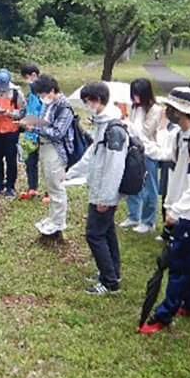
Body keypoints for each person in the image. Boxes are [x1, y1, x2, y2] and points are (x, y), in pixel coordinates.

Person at [139, 87, 190, 334]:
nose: (167, 112)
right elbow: (167, 155)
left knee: (179, 266)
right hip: (183, 209)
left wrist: (177, 210)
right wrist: (142, 142)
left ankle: (164, 314)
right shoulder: (180, 136)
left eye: (171, 109)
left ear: (181, 112)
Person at [64, 81, 128, 295]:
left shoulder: (114, 129)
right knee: (107, 232)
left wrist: (106, 198)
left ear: (98, 100)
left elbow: (114, 167)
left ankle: (109, 282)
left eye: (88, 101)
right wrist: (71, 172)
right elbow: (92, 155)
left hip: (104, 192)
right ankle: (111, 272)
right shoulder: (102, 124)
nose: (86, 106)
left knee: (94, 235)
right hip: (98, 188)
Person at [22, 74, 74, 236]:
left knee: (56, 187)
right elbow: (44, 122)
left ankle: (58, 223)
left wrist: (35, 128)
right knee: (49, 185)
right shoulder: (48, 104)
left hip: (56, 149)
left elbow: (58, 132)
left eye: (43, 94)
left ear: (52, 90)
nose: (42, 98)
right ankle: (52, 218)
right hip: (44, 146)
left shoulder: (64, 107)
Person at [119, 77, 164, 234]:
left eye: (139, 95)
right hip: (134, 150)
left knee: (149, 187)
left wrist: (126, 123)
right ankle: (133, 216)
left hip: (149, 151)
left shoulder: (155, 110)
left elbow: (145, 132)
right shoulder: (134, 107)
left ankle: (148, 221)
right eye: (134, 94)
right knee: (132, 183)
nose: (136, 98)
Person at [0, 68, 26, 198]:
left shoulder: (16, 93)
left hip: (11, 131)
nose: (3, 88)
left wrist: (10, 113)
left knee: (11, 160)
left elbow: (23, 111)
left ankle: (10, 187)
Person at [19, 63, 43, 200]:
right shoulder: (31, 91)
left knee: (45, 164)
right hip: (29, 133)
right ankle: (32, 188)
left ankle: (48, 192)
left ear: (34, 75)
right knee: (30, 162)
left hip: (40, 132)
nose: (27, 81)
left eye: (27, 77)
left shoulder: (42, 91)